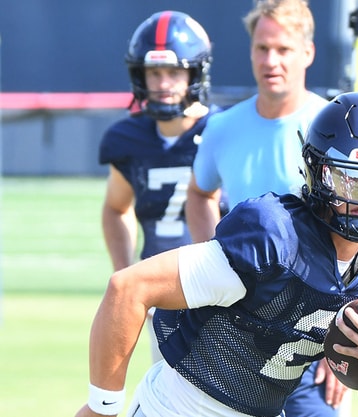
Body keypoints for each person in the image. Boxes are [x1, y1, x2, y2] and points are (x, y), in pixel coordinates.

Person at [75, 92, 358, 417]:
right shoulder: (274, 234)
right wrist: (101, 408)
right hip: (179, 409)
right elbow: (128, 289)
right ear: (318, 173)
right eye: (348, 177)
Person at [184, 1, 335, 414]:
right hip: (233, 334)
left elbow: (357, 233)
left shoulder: (334, 126)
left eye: (283, 49)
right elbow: (199, 195)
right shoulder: (223, 128)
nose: (272, 60)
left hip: (310, 341)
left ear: (308, 53)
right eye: (262, 48)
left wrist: (339, 345)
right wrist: (214, 262)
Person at [99, 10, 220, 363]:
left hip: (224, 299)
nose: (164, 82)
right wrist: (125, 273)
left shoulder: (223, 131)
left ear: (195, 72)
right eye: (154, 72)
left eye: (174, 71)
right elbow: (115, 207)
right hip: (162, 301)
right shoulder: (128, 137)